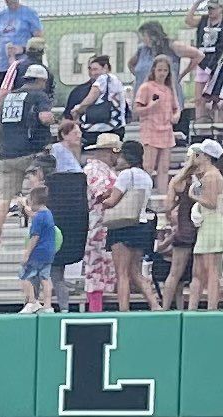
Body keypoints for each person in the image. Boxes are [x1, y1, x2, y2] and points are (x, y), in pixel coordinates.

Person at [0, 63, 56, 238]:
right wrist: (52, 119)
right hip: (31, 153)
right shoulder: (39, 95)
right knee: (38, 191)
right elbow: (44, 117)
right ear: (42, 80)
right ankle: (38, 231)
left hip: (7, 153)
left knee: (4, 198)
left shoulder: (9, 97)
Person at [106, 138, 163, 311]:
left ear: (126, 156)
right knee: (135, 271)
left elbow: (113, 201)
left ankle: (123, 310)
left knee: (122, 273)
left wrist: (102, 199)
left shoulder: (125, 175)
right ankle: (154, 304)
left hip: (123, 226)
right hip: (142, 225)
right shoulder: (146, 176)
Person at [186, 137, 223, 307]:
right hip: (208, 225)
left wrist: (193, 196)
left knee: (212, 271)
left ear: (206, 156)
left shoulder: (212, 176)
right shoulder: (209, 175)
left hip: (213, 224)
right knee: (198, 271)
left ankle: (212, 307)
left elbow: (211, 202)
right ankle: (193, 308)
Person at [78, 129, 119, 310]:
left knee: (105, 268)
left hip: (107, 224)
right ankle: (95, 309)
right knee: (95, 269)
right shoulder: (93, 169)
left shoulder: (106, 170)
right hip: (97, 225)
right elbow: (102, 194)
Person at [135, 56, 184, 183]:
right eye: (159, 70)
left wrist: (176, 115)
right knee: (149, 166)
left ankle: (163, 196)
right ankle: (146, 194)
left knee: (164, 168)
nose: (162, 73)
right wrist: (150, 106)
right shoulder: (146, 87)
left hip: (166, 130)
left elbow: (176, 107)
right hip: (150, 129)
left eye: (165, 71)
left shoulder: (169, 89)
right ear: (153, 71)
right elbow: (137, 110)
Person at [67, 54, 129, 147]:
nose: (93, 73)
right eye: (91, 69)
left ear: (105, 67)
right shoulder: (116, 81)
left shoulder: (103, 78)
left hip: (101, 129)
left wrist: (77, 110)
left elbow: (90, 98)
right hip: (117, 128)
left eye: (95, 69)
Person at [17, 186, 58, 310]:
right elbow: (36, 216)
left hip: (37, 252)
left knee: (25, 276)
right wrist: (26, 207)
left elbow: (35, 237)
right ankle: (47, 305)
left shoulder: (38, 218)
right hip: (48, 253)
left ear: (34, 200)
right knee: (45, 278)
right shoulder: (47, 213)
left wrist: (27, 254)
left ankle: (32, 301)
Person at [0, 0, 45, 85]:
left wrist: (22, 49)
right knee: (2, 96)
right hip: (2, 68)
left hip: (23, 67)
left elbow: (39, 40)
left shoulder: (29, 13)